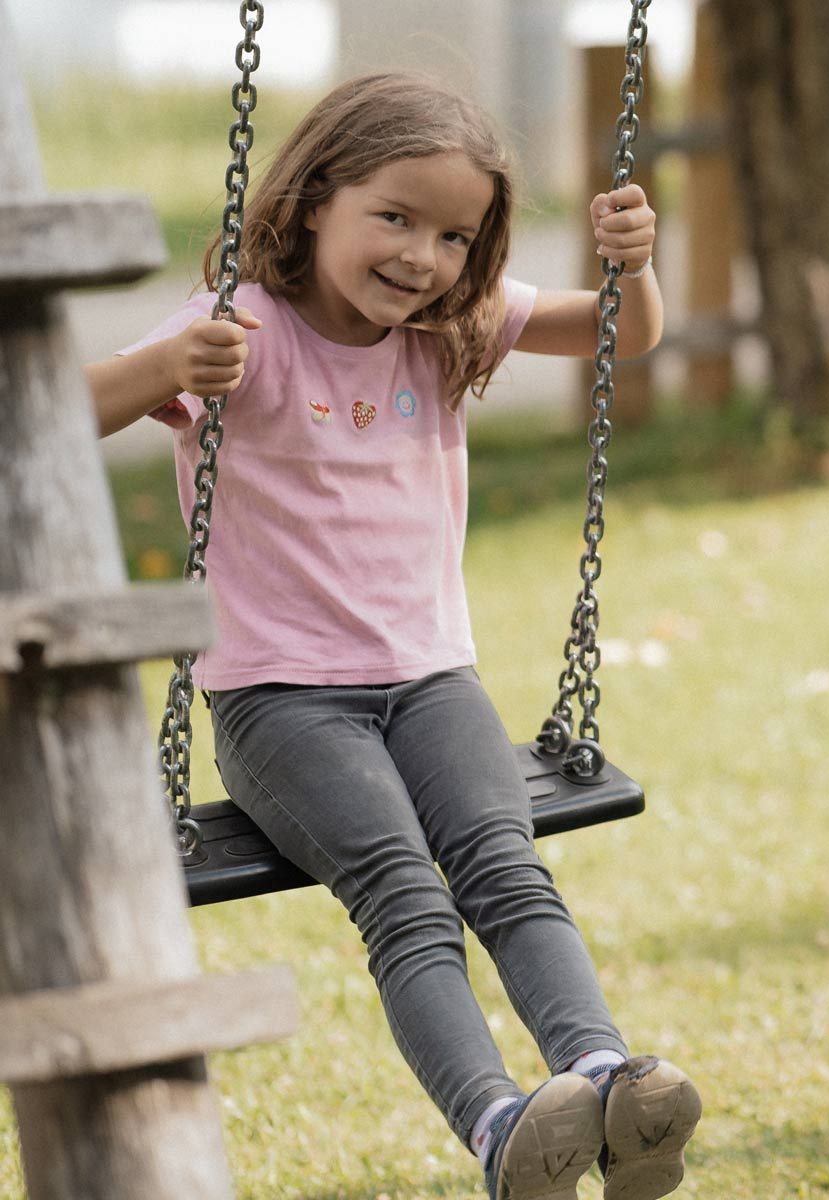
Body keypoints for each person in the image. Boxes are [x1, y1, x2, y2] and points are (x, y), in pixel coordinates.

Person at [87, 72, 700, 1200]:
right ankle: (502, 1129)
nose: (422, 255)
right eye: (396, 219)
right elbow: (63, 407)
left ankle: (609, 1083)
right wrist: (169, 367)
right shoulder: (246, 326)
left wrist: (633, 265)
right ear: (316, 198)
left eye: (455, 235)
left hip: (431, 682)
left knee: (507, 871)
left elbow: (625, 336)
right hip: (281, 701)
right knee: (406, 896)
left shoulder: (446, 326)